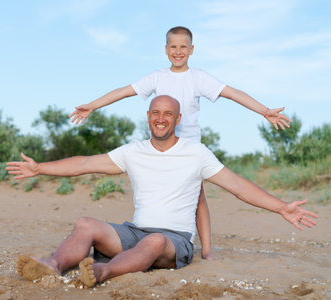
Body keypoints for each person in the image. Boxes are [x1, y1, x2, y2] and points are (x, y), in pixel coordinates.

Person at [6, 95, 316, 288]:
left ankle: (102, 272)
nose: (161, 119)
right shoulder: (134, 151)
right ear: (148, 117)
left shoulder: (197, 153)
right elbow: (86, 162)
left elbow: (237, 186)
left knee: (155, 240)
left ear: (178, 119)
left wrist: (281, 207)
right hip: (134, 232)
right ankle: (52, 265)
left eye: (168, 114)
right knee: (86, 223)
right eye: (155, 113)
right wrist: (40, 168)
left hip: (173, 241)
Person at [68, 26, 292, 259]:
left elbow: (232, 93)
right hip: (162, 142)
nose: (178, 51)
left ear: (192, 49)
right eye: (173, 46)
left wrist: (264, 111)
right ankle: (146, 232)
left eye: (183, 47)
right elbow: (125, 91)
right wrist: (93, 105)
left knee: (197, 197)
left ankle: (206, 250)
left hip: (188, 146)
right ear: (166, 50)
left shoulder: (198, 78)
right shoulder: (157, 77)